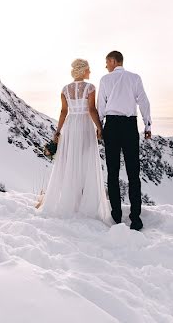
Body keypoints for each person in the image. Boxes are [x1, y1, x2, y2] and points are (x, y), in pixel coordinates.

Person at [36, 58, 112, 224]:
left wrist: (58, 131)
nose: (90, 72)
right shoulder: (90, 88)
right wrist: (99, 127)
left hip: (70, 125)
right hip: (84, 124)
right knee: (85, 161)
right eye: (88, 69)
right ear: (83, 70)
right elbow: (92, 109)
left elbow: (64, 111)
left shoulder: (65, 89)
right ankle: (84, 204)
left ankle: (69, 201)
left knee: (70, 160)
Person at [97, 50, 152, 230]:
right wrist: (148, 125)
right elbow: (143, 101)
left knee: (112, 173)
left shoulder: (105, 80)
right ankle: (135, 218)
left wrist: (99, 128)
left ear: (113, 61)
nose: (106, 66)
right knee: (133, 173)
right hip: (130, 126)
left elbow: (100, 107)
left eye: (107, 62)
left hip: (111, 126)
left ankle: (116, 216)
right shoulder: (135, 78)